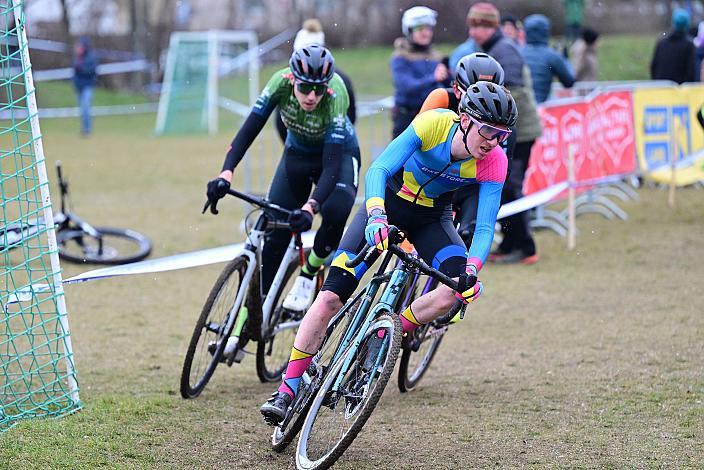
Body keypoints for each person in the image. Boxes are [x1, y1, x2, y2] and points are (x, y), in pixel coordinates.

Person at [260, 81, 517, 424]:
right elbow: (379, 169)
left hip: (432, 220)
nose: (493, 142)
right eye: (488, 130)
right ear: (466, 120)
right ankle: (288, 388)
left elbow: (485, 227)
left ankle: (386, 331)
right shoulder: (434, 124)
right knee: (329, 298)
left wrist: (472, 267)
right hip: (386, 206)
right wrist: (377, 214)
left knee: (454, 293)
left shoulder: (494, 161)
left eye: (502, 135)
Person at [206, 45, 360, 315]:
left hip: (339, 154)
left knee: (336, 211)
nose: (312, 96)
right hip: (297, 155)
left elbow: (332, 164)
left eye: (318, 89)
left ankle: (308, 273)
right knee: (275, 234)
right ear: (292, 79)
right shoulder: (279, 82)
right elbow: (249, 129)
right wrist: (225, 172)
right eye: (304, 88)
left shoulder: (336, 93)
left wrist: (310, 206)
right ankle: (247, 318)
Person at [466, 1, 542, 265]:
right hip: (505, 131)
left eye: (480, 26)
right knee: (504, 187)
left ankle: (526, 247)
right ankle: (510, 244)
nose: (474, 32)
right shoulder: (490, 49)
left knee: (510, 187)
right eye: (472, 26)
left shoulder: (504, 50)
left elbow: (512, 94)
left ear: (493, 27)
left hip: (518, 132)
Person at [419, 52, 505, 247]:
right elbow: (415, 143)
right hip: (431, 176)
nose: (483, 101)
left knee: (467, 235)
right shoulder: (440, 98)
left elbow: (497, 175)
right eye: (474, 92)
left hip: (469, 185)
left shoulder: (504, 120)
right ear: (457, 90)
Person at [274, 19, 357, 142]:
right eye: (304, 87)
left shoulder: (339, 82)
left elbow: (348, 118)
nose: (311, 96)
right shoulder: (286, 78)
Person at [390, 6, 450, 138]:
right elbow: (406, 86)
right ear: (409, 31)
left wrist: (449, 73)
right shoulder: (400, 56)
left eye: (428, 28)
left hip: (431, 118)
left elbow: (449, 85)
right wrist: (433, 78)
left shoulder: (436, 55)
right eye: (419, 28)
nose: (425, 33)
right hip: (406, 119)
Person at [522, 14, 576, 103]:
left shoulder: (517, 52)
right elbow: (569, 82)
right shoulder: (552, 55)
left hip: (519, 109)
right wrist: (565, 59)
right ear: (545, 32)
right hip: (540, 109)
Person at [650, 8, 696, 84]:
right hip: (679, 93)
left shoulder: (661, 42)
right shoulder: (689, 45)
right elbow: (691, 73)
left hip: (660, 89)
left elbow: (653, 67)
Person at [72, 36, 98, 137]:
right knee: (83, 109)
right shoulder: (77, 58)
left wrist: (81, 68)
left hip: (88, 86)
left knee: (86, 108)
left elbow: (91, 72)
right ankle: (84, 129)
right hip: (79, 87)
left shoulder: (91, 58)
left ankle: (87, 129)